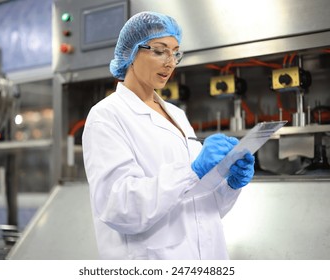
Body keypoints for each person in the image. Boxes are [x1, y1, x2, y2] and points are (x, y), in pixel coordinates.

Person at [82, 11, 255, 260]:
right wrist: (192, 170)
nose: (170, 62)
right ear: (131, 52)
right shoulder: (106, 116)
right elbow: (118, 207)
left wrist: (229, 184)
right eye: (160, 51)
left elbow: (200, 208)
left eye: (175, 53)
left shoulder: (176, 114)